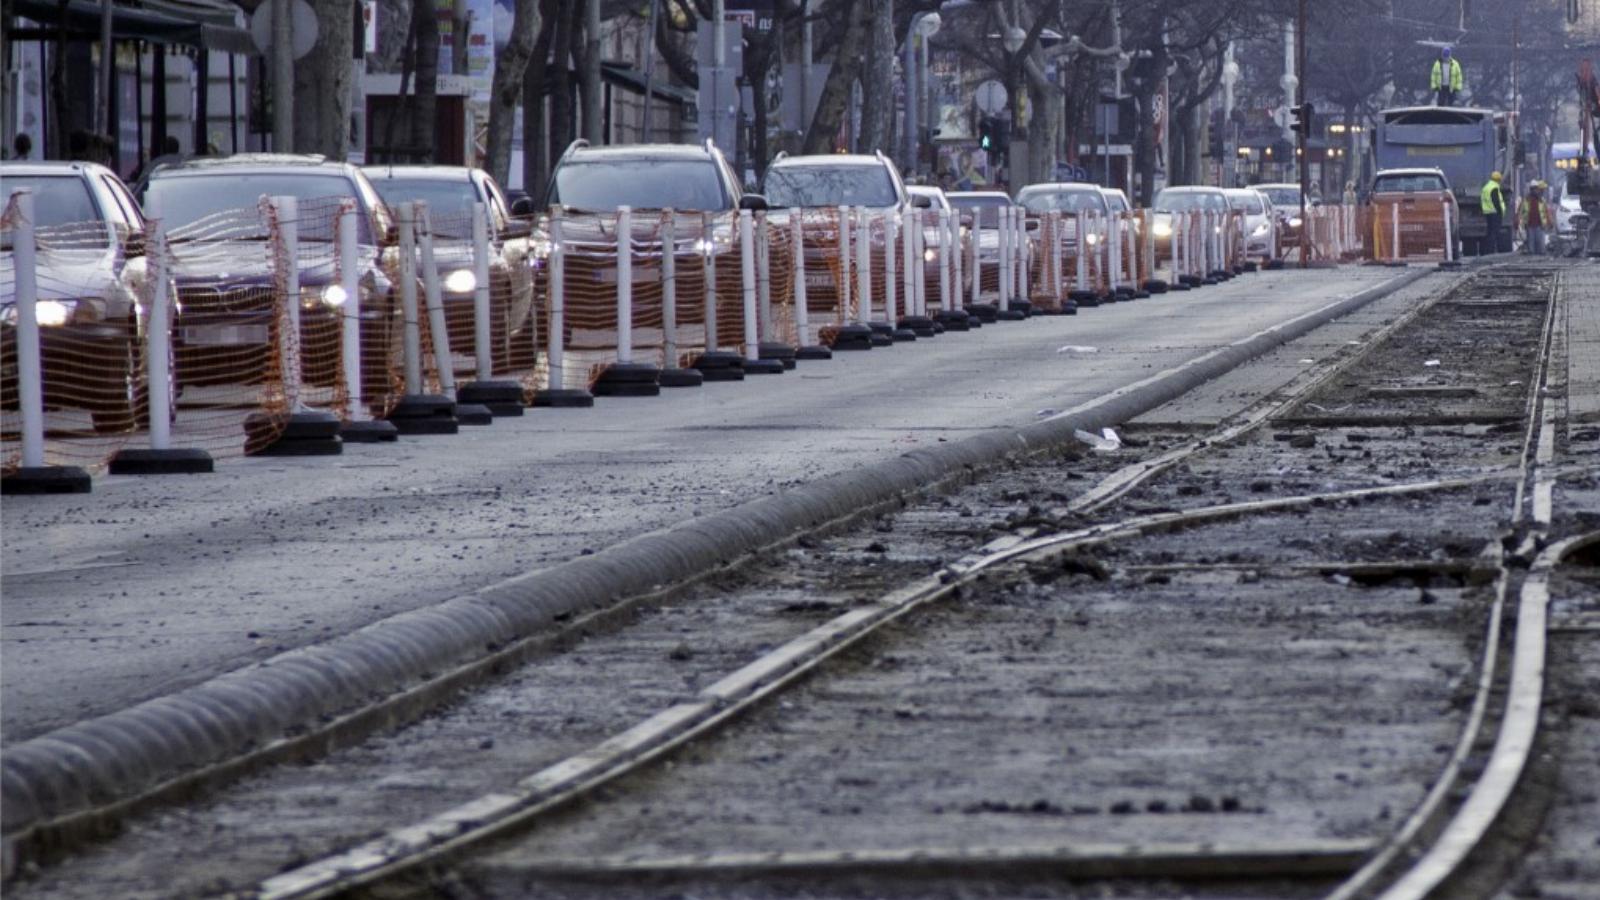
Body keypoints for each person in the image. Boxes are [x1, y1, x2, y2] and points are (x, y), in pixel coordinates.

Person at [1519, 181, 1553, 255]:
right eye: (1534, 189)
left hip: (1540, 225)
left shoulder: (1541, 200)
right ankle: (1532, 258)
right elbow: (1520, 212)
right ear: (1531, 190)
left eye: (1536, 189)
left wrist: (1550, 222)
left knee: (1540, 246)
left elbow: (1546, 212)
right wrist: (1518, 222)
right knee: (1531, 246)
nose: (1535, 191)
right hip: (1529, 225)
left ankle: (1540, 259)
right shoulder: (1526, 200)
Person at [1480, 171, 1506, 253]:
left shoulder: (1486, 187)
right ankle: (1493, 250)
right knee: (1494, 232)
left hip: (1488, 212)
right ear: (1498, 180)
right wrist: (1500, 212)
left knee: (1490, 231)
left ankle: (1487, 250)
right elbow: (1496, 201)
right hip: (1495, 213)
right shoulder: (1494, 187)